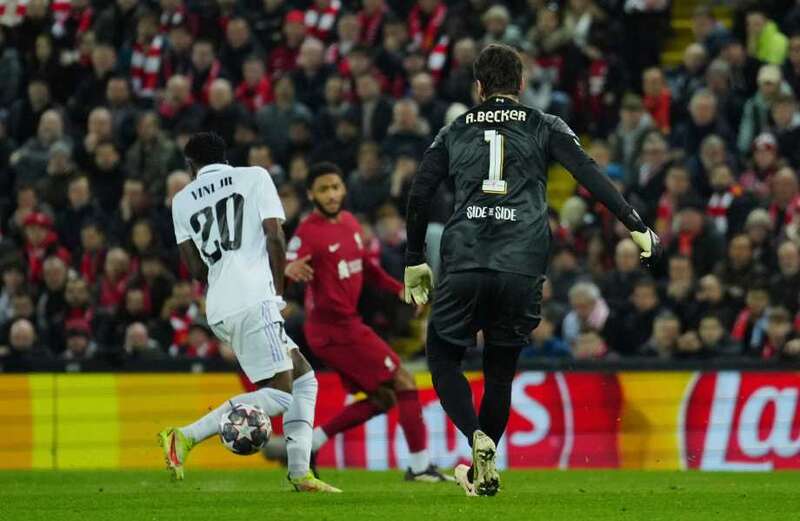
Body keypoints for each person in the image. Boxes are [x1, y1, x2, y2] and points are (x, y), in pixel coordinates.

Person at [402, 44, 661, 497]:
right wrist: (635, 226)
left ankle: (474, 437)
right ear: (521, 85)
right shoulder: (545, 124)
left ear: (478, 87)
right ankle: (485, 462)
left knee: (443, 355)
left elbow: (420, 192)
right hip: (522, 264)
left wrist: (414, 259)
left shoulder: (454, 130)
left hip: (466, 259)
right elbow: (587, 172)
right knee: (500, 372)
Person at [158, 132, 340, 493]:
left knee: (304, 378)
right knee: (281, 393)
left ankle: (300, 472)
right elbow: (274, 235)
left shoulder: (181, 201)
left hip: (220, 305)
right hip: (254, 298)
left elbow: (195, 269)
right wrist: (276, 291)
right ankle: (185, 436)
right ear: (225, 157)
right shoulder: (254, 176)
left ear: (191, 166)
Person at [284, 161, 449, 483]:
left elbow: (369, 268)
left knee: (384, 398)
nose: (331, 195)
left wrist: (399, 290)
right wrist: (288, 271)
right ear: (311, 194)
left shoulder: (349, 223)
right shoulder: (307, 232)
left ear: (344, 189)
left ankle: (310, 443)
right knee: (404, 380)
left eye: (335, 187)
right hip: (332, 329)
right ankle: (419, 466)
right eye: (323, 189)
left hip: (347, 325)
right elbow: (287, 264)